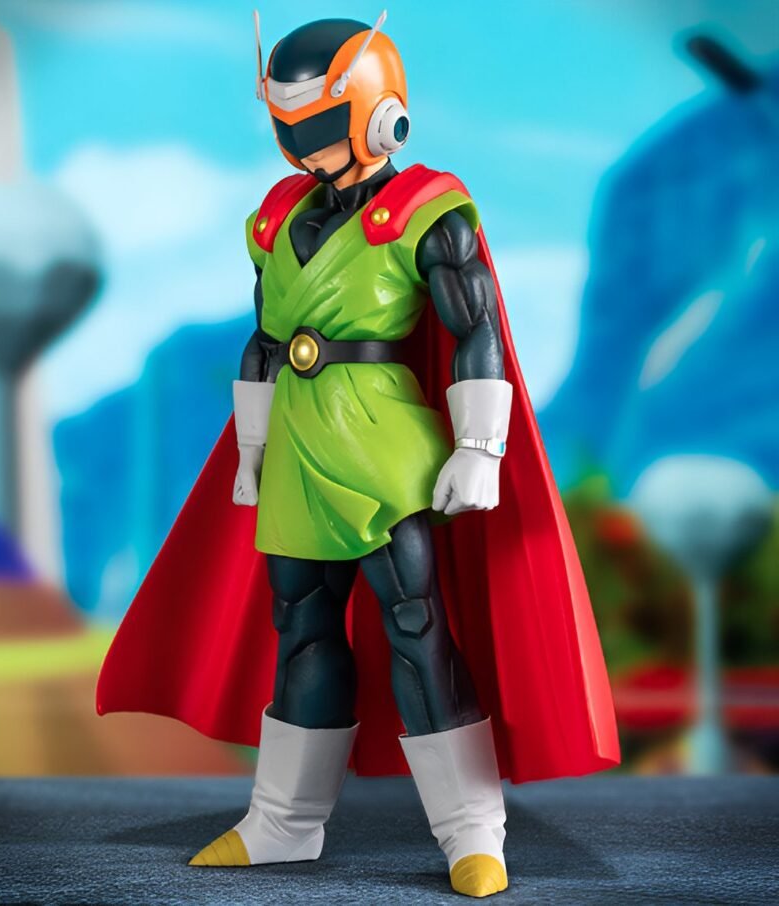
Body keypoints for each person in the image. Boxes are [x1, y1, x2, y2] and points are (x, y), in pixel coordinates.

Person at [97, 14, 619, 899]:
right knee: (301, 628)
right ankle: (282, 822)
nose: (305, 145)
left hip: (383, 446)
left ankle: (472, 833)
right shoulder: (277, 219)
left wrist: (479, 446)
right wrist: (251, 449)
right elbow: (265, 345)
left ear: (375, 112)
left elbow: (476, 330)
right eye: (291, 125)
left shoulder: (427, 212)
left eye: (320, 123)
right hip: (298, 444)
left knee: (416, 626)